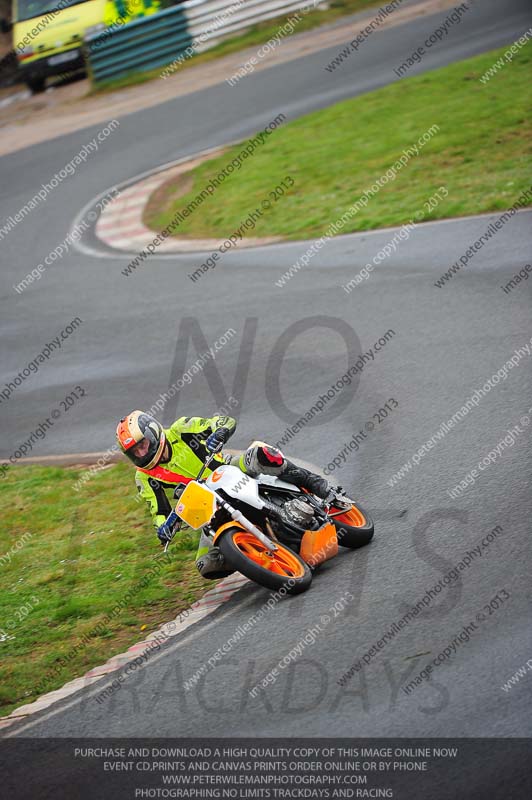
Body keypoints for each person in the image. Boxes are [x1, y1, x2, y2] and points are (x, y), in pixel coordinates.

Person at [116, 410, 347, 579]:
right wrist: (163, 527)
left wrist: (220, 432)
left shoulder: (181, 429)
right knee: (206, 565)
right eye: (134, 452)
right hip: (205, 502)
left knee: (261, 455)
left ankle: (321, 488)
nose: (141, 452)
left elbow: (223, 420)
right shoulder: (144, 477)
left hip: (226, 469)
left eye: (142, 444)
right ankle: (257, 556)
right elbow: (158, 510)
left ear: (153, 432)